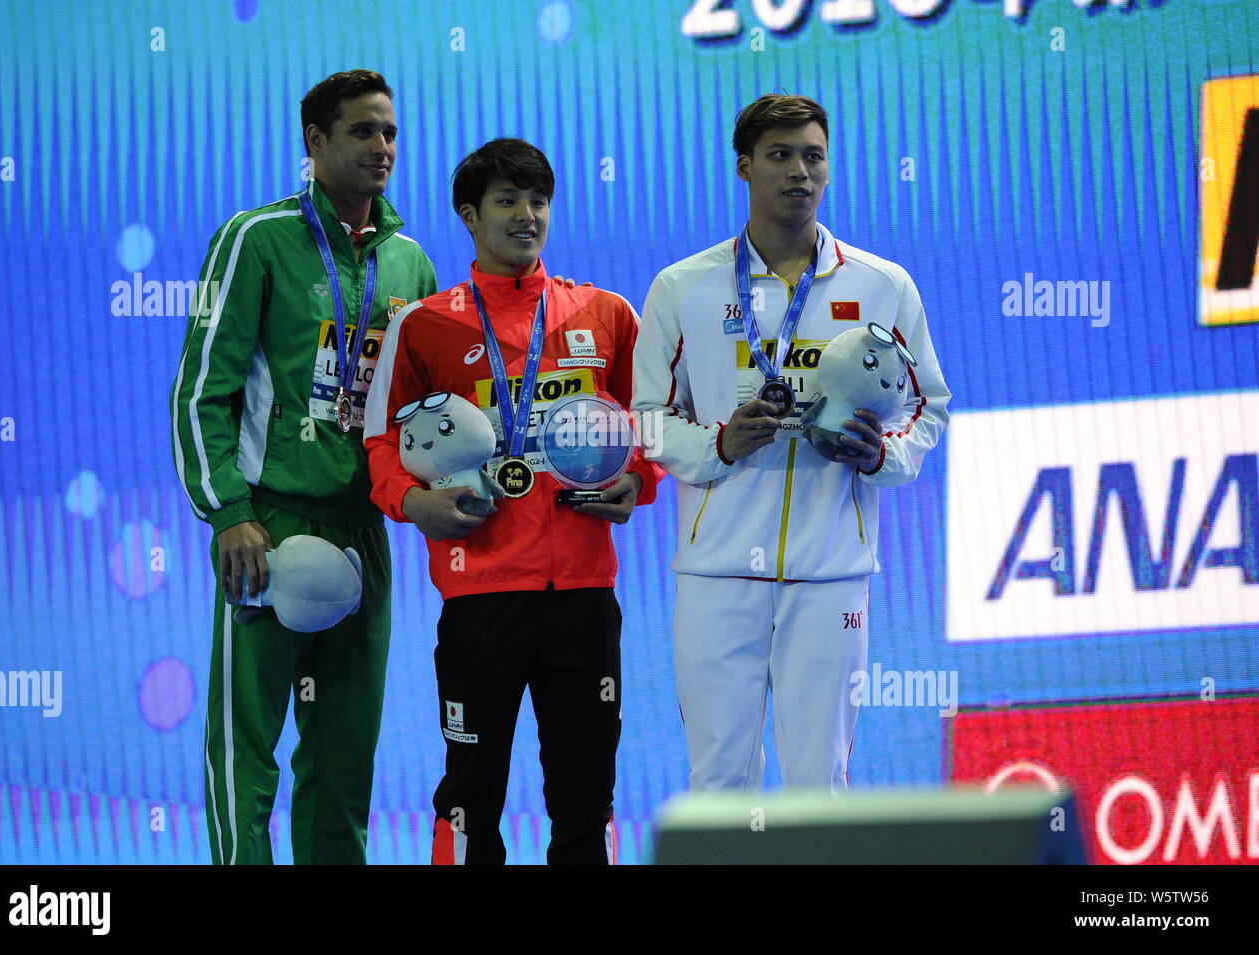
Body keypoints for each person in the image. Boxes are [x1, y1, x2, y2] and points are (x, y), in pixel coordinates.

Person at [633, 94, 951, 794]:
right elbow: (648, 417)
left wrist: (879, 454)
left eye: (813, 156)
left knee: (820, 784)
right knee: (720, 783)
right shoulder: (682, 287)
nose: (799, 172)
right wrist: (719, 443)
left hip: (832, 573)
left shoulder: (882, 284)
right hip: (716, 575)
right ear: (744, 167)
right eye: (779, 156)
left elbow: (929, 407)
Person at [364, 138, 662, 864]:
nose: (527, 216)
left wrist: (639, 483)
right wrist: (413, 503)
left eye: (538, 201)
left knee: (586, 801)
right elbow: (380, 443)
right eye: (507, 201)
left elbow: (653, 421)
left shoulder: (607, 313)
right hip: (479, 595)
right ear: (469, 215)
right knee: (468, 799)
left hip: (583, 597)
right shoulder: (425, 324)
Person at [169, 69, 438, 864]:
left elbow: (417, 414)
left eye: (390, 131)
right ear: (314, 143)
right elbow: (199, 394)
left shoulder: (410, 263)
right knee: (245, 755)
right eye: (362, 131)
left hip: (363, 534)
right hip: (267, 526)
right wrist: (228, 514)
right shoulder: (257, 238)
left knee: (343, 759)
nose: (382, 147)